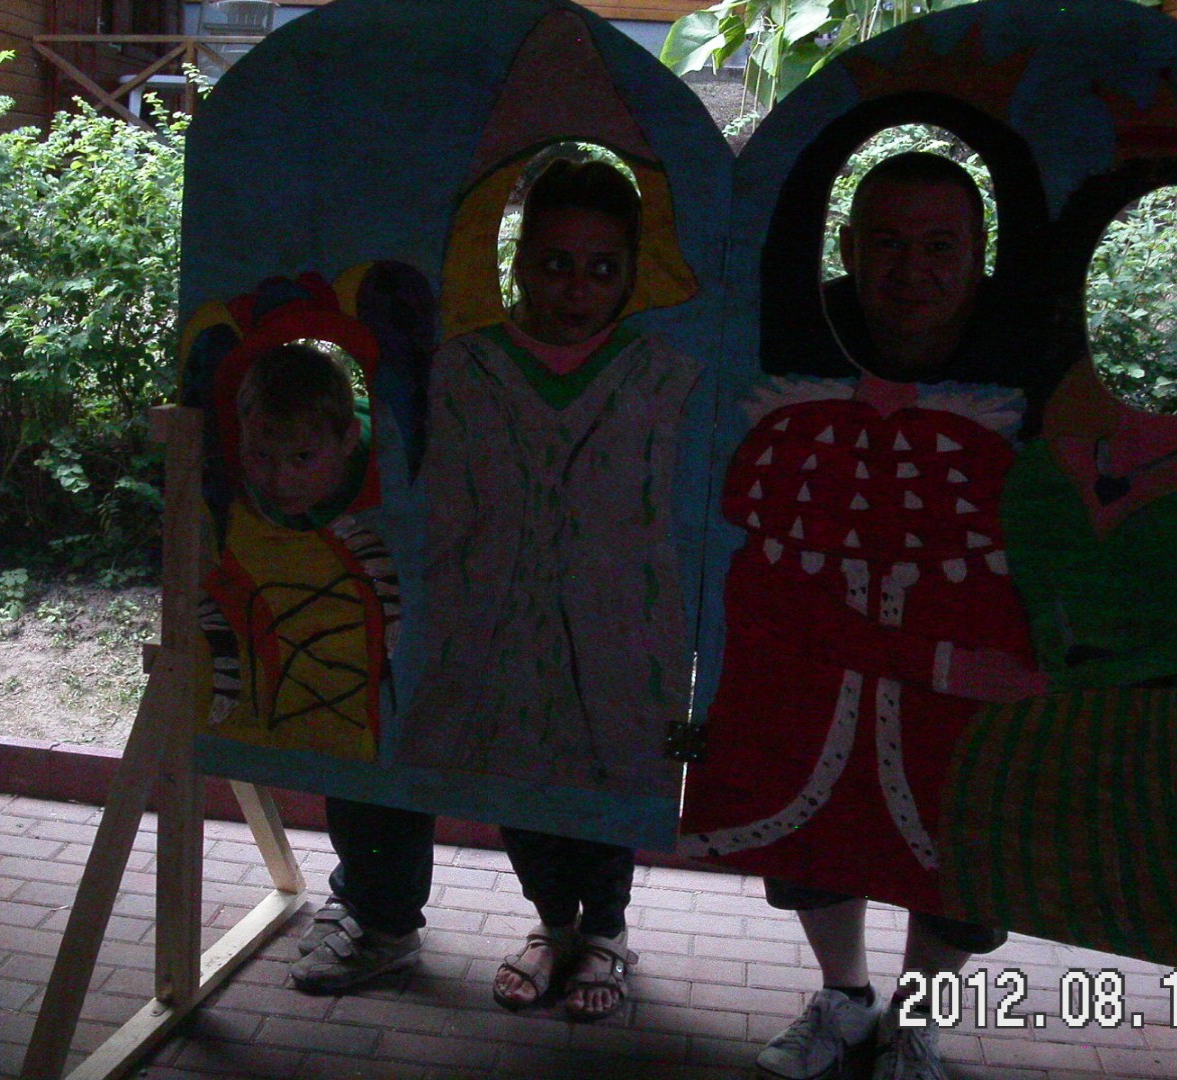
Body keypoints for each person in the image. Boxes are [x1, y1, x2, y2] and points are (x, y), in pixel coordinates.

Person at [679, 152, 1047, 1080]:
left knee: (962, 853)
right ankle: (845, 997)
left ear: (979, 258)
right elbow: (756, 579)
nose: (911, 268)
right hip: (816, 676)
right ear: (846, 249)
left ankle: (918, 1017)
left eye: (939, 246)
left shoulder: (1031, 357)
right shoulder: (796, 354)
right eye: (886, 242)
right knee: (807, 831)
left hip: (968, 671)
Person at [401, 156, 700, 1021]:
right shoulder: (464, 368)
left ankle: (605, 930)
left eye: (603, 267)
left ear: (632, 273)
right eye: (555, 263)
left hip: (622, 630)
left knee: (615, 771)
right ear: (519, 262)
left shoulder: (666, 374)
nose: (577, 287)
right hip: (493, 625)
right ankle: (553, 925)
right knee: (515, 773)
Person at [197, 341, 437, 994]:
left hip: (385, 668)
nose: (280, 479)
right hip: (321, 663)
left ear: (348, 440)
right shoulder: (256, 499)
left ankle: (389, 929)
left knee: (386, 786)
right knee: (348, 784)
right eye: (261, 456)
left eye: (302, 458)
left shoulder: (387, 476)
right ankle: (360, 898)